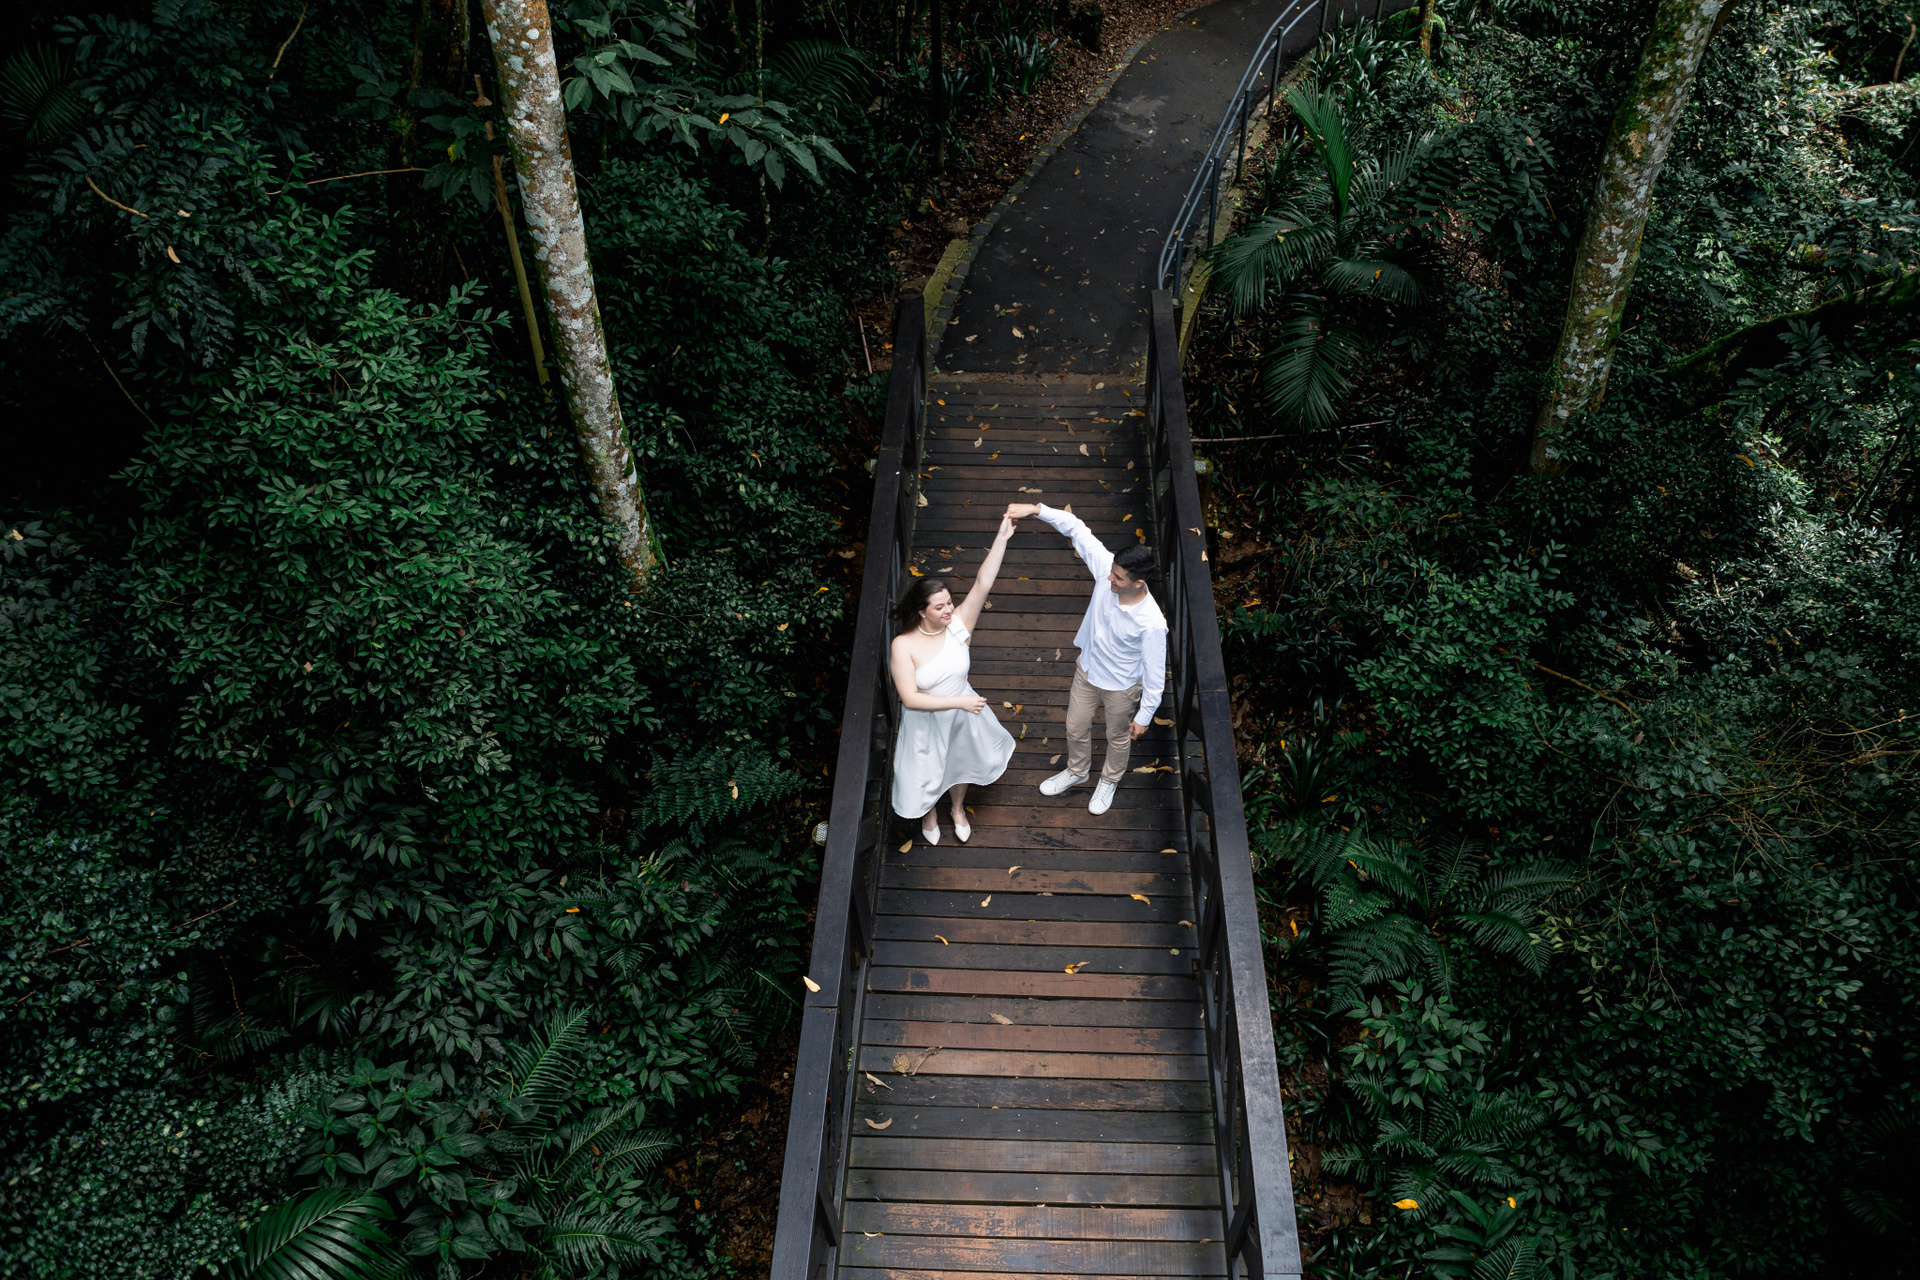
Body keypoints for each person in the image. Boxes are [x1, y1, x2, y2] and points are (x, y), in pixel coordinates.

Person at [1003, 502, 1167, 816]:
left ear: (1138, 583)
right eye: (1112, 573)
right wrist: (1036, 509)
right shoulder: (1107, 571)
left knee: (1117, 737)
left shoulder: (1152, 624)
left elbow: (1155, 674)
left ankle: (1109, 780)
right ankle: (1077, 771)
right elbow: (1076, 528)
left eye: (1118, 579)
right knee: (1075, 726)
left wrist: (1144, 716)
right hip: (1088, 670)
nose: (1110, 580)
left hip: (1121, 686)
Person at [889, 513, 1020, 844]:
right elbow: (910, 698)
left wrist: (1002, 538)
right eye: (940, 607)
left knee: (961, 762)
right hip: (927, 719)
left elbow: (982, 583)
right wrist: (959, 702)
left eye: (949, 602)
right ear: (922, 611)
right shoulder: (903, 645)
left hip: (963, 712)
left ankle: (958, 809)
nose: (948, 610)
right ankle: (929, 812)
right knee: (926, 770)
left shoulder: (959, 625)